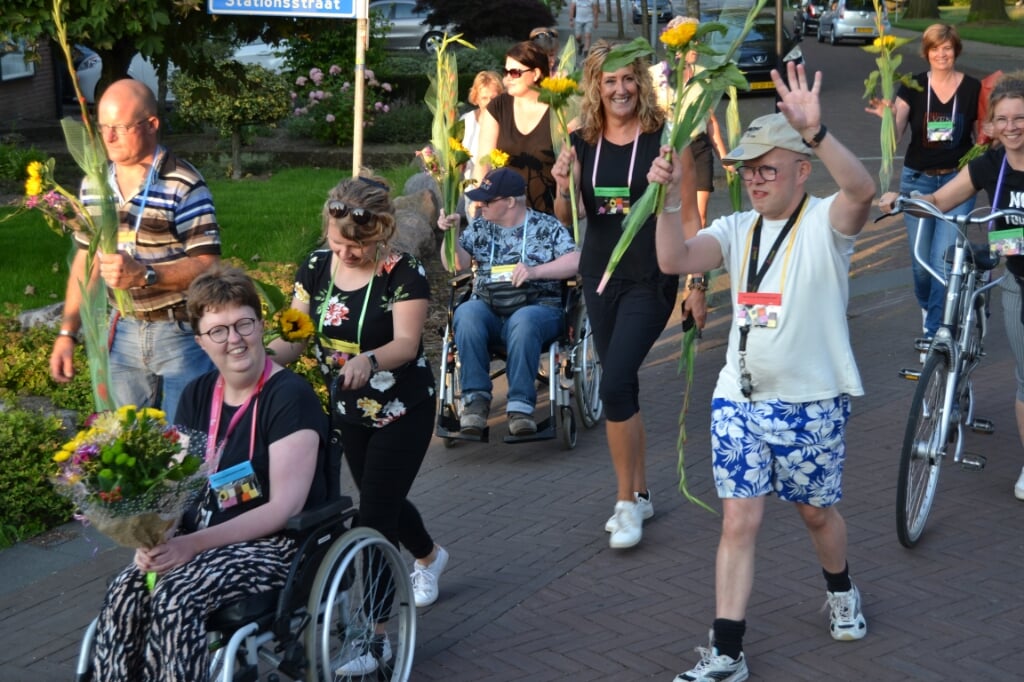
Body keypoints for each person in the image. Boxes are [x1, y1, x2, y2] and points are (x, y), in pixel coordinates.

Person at [651, 62, 875, 680]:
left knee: (816, 513)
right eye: (747, 170)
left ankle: (840, 589)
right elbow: (674, 258)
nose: (754, 180)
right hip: (741, 399)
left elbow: (861, 192)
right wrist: (669, 200)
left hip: (813, 400)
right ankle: (727, 650)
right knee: (739, 518)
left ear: (802, 170)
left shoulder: (827, 224)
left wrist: (821, 130)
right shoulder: (736, 228)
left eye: (767, 169)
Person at [91, 266, 329, 681]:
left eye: (243, 324)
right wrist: (154, 539)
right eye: (218, 331)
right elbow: (180, 486)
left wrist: (192, 546)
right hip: (202, 539)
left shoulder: (289, 397)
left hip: (276, 546)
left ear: (260, 325)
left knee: (176, 595)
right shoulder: (199, 393)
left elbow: (283, 508)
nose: (234, 340)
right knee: (125, 590)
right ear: (201, 341)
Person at [267, 175, 447, 673]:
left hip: (401, 409)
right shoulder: (314, 267)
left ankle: (375, 636)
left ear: (381, 232)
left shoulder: (402, 272)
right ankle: (429, 555)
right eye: (337, 241)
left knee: (373, 519)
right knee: (377, 499)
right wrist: (260, 362)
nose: (345, 252)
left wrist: (370, 358)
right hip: (348, 410)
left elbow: (407, 344)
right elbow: (295, 333)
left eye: (358, 244)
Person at [551, 41, 705, 550]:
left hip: (650, 275)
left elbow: (688, 218)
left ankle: (623, 504)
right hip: (599, 276)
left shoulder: (667, 138)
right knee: (624, 386)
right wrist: (560, 185)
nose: (619, 89)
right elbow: (567, 218)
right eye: (608, 81)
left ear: (641, 80)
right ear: (595, 86)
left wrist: (694, 283)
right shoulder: (580, 139)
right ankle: (641, 493)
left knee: (615, 381)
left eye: (627, 78)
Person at [880, 71, 1024, 501]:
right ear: (992, 126)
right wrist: (902, 201)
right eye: (1004, 119)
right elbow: (941, 200)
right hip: (1017, 281)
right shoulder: (988, 165)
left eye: (1021, 117)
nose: (1013, 127)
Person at [49, 78, 220, 423]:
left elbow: (207, 265)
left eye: (121, 128)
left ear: (151, 125)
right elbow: (86, 261)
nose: (108, 138)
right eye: (103, 127)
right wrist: (68, 332)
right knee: (125, 440)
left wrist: (146, 275)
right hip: (123, 330)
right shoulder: (93, 185)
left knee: (183, 446)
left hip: (179, 332)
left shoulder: (183, 183)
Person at [437, 167, 579, 436]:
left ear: (511, 201)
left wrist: (535, 271)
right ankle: (475, 401)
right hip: (490, 306)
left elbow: (575, 260)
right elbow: (456, 265)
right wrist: (451, 236)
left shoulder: (546, 226)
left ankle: (520, 406)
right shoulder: (481, 226)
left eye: (488, 201)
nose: (481, 205)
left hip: (539, 308)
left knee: (523, 321)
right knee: (465, 313)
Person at [866, 23, 981, 343]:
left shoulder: (972, 88)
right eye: (935, 48)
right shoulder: (913, 86)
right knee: (920, 265)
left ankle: (935, 333)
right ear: (926, 52)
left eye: (947, 48)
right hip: (918, 181)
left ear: (955, 50)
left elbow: (979, 137)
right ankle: (929, 307)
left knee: (941, 261)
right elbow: (893, 141)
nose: (941, 54)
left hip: (957, 185)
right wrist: (887, 119)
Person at [474, 41, 557, 214]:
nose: (507, 79)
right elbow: (483, 162)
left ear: (536, 73)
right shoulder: (498, 107)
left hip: (547, 217)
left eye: (515, 72)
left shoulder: (558, 111)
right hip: (505, 215)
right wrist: (480, 200)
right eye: (506, 72)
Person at [461, 70, 504, 189]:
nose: (489, 103)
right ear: (476, 98)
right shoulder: (466, 121)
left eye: (494, 98)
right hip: (472, 189)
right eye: (484, 98)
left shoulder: (507, 121)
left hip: (501, 190)